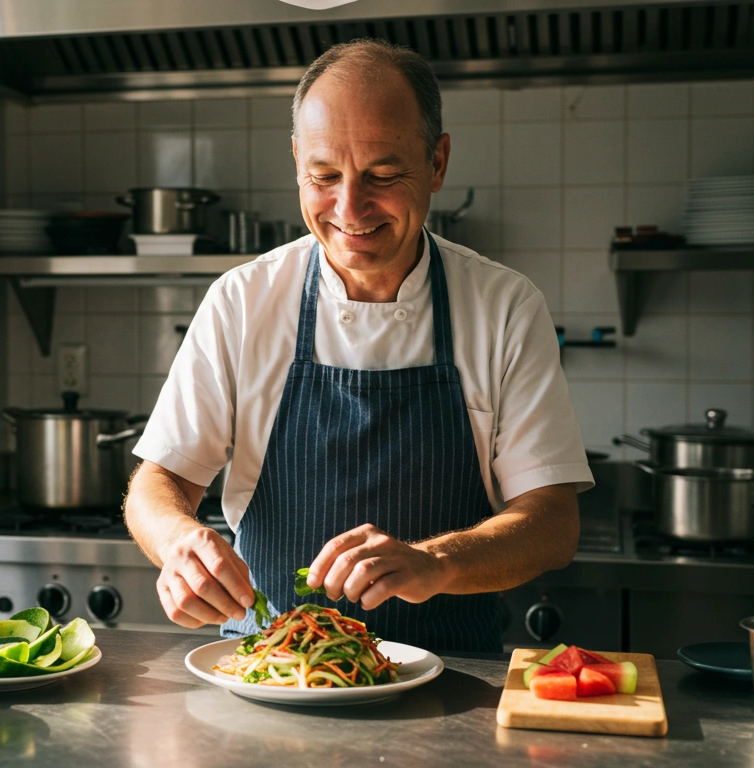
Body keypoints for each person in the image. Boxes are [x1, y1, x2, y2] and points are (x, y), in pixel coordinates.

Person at [123, 39, 593, 652]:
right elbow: (160, 480)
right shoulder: (242, 300)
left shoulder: (504, 306)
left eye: (383, 175)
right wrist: (178, 542)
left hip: (452, 678)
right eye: (324, 176)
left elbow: (552, 522)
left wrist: (437, 562)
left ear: (437, 162)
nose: (350, 208)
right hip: (270, 671)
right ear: (297, 160)